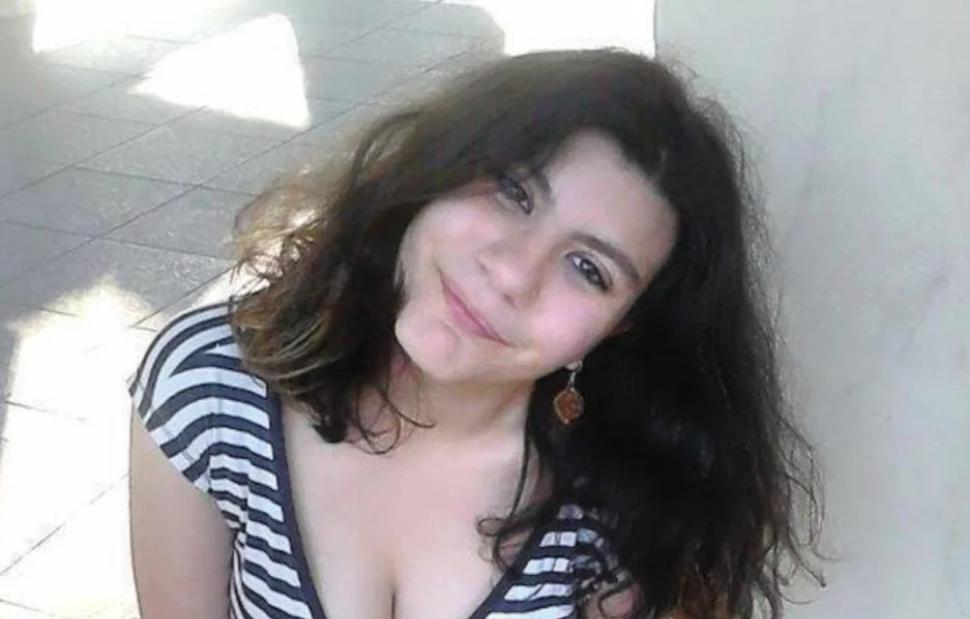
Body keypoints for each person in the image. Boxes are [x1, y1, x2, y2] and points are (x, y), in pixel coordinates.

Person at [127, 47, 826, 619]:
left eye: (588, 268)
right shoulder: (212, 386)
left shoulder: (623, 512)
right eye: (514, 192)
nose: (513, 273)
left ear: (619, 327)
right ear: (438, 168)